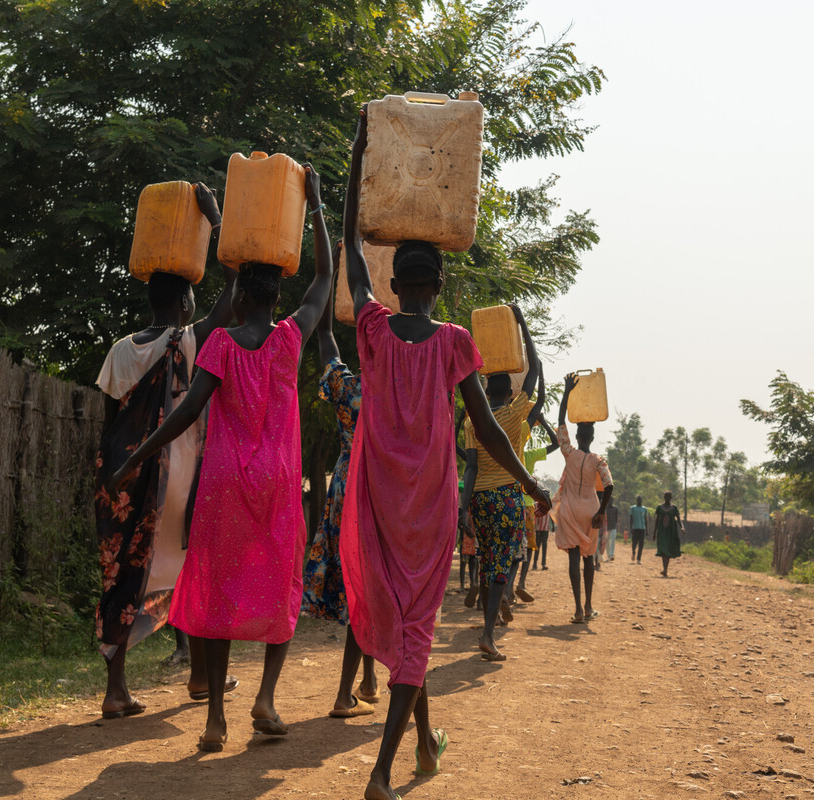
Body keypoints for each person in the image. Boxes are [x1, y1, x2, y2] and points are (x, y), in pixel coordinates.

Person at [340, 107, 550, 800]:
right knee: (419, 625)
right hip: (430, 504)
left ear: (397, 283)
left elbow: (347, 254)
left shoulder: (370, 326)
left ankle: (426, 748)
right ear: (438, 288)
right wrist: (528, 483)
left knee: (407, 628)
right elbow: (488, 429)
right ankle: (379, 774)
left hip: (375, 499)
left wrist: (354, 167)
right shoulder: (458, 342)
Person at [107, 163, 334, 751]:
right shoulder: (290, 339)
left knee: (215, 589)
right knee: (281, 584)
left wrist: (140, 454)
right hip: (280, 484)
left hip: (224, 483)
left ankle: (214, 720)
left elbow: (183, 415)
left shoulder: (221, 345)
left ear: (239, 300)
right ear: (276, 297)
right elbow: (324, 282)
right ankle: (265, 698)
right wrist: (315, 209)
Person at [93, 181, 238, 719]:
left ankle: (116, 689)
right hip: (178, 479)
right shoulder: (188, 341)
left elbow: (108, 425)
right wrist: (217, 220)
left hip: (127, 482)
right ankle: (201, 676)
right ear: (183, 301)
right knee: (193, 567)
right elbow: (235, 293)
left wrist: (114, 477)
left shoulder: (118, 351)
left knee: (123, 575)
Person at [301, 260, 380, 718]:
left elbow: (327, 341)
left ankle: (367, 680)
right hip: (375, 493)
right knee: (365, 590)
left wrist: (328, 295)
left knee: (360, 584)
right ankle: (343, 693)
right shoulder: (395, 393)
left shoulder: (349, 388)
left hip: (343, 486)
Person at [460, 304, 541, 656]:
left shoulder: (470, 422)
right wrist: (521, 323)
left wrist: (464, 509)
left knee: (486, 558)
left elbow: (471, 467)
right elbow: (535, 370)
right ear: (509, 392)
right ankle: (488, 634)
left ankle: (487, 629)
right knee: (501, 565)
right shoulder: (512, 413)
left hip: (478, 498)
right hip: (507, 498)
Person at [554, 373, 613, 624]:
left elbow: (559, 422)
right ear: (592, 437)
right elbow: (609, 486)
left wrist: (567, 391)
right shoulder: (598, 459)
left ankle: (577, 609)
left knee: (573, 558)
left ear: (578, 437)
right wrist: (601, 513)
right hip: (591, 510)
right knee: (589, 558)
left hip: (569, 510)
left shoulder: (569, 452)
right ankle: (588, 607)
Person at [513, 412, 560, 602]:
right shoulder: (529, 455)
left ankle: (505, 589)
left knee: (508, 548)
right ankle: (521, 583)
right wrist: (544, 420)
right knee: (529, 547)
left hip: (507, 503)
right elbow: (556, 444)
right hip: (527, 506)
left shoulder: (501, 451)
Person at [653, 491, 685, 577]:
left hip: (671, 531)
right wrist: (654, 532)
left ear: (670, 498)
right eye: (665, 497)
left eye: (668, 497)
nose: (666, 498)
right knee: (663, 549)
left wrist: (682, 527)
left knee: (668, 549)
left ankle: (665, 569)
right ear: (664, 497)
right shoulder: (659, 508)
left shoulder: (674, 508)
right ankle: (665, 570)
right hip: (662, 532)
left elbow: (678, 519)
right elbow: (657, 520)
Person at [629, 496, 649, 563]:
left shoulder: (644, 509)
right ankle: (633, 552)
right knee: (634, 542)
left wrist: (647, 530)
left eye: (640, 500)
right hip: (635, 528)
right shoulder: (633, 508)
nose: (639, 501)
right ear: (636, 500)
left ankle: (639, 559)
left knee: (641, 544)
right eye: (638, 500)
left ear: (642, 501)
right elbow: (631, 519)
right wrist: (631, 528)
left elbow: (646, 519)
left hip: (642, 528)